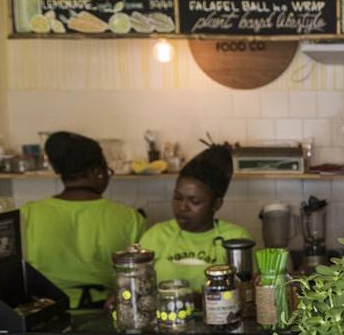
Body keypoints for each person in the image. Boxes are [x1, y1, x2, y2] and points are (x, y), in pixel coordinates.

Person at [21, 131, 146, 308]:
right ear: (98, 172)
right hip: (107, 314)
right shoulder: (130, 218)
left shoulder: (28, 214)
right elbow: (141, 276)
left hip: (46, 316)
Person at [139, 143, 251, 293]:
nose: (182, 207)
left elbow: (245, 294)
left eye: (194, 201)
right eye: (177, 197)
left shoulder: (235, 240)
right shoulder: (155, 236)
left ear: (216, 204)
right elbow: (137, 287)